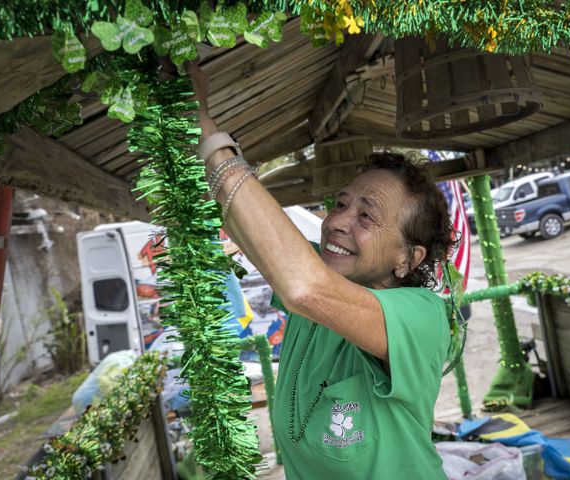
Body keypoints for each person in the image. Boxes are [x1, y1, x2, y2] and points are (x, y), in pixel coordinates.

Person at [188, 62, 457, 479]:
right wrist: (196, 121)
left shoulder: (420, 314)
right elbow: (249, 229)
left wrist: (210, 132)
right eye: (340, 204)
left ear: (408, 258)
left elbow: (302, 285)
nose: (337, 222)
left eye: (366, 217)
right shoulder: (322, 272)